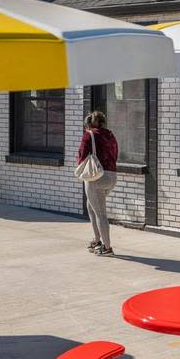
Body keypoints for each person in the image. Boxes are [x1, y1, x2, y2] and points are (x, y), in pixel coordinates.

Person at [78, 110, 119, 257]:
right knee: (91, 206)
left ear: (89, 123)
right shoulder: (111, 135)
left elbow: (82, 156)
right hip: (111, 176)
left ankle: (107, 248)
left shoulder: (89, 135)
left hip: (96, 177)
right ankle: (97, 240)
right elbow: (115, 154)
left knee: (101, 213)